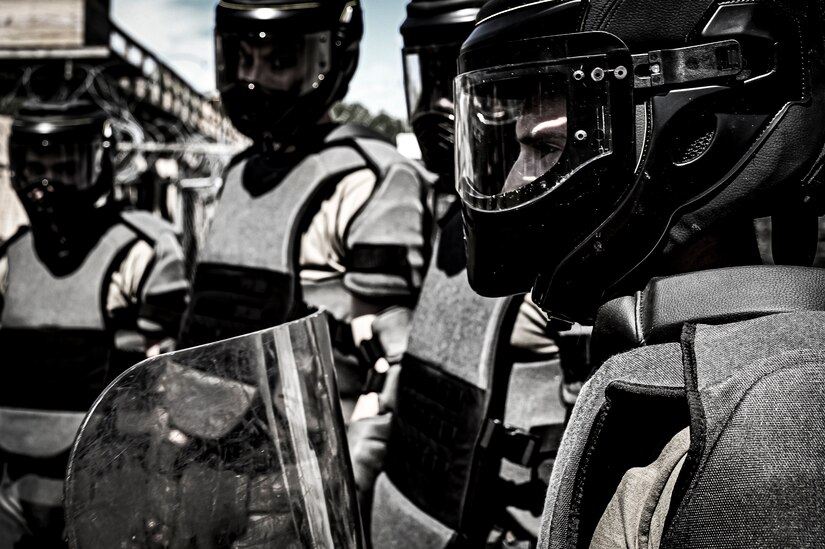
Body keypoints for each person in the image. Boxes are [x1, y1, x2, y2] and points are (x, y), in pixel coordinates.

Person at [454, 0, 825, 548]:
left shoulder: (771, 421)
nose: (514, 177)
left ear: (692, 132)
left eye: (547, 147)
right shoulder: (679, 365)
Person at [346, 1, 591, 547]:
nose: (438, 105)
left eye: (460, 80)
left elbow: (598, 456)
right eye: (430, 75)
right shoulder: (454, 215)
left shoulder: (571, 245)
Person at [179, 0, 432, 421]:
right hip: (214, 438)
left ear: (332, 58)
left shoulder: (369, 178)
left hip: (310, 454)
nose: (252, 80)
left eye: (278, 61)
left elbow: (382, 367)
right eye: (242, 59)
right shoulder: (240, 172)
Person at [0, 100, 189, 548]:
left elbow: (169, 378)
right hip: (12, 483)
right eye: (35, 168)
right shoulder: (12, 256)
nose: (47, 186)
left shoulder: (141, 252)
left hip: (106, 479)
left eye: (66, 167)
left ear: (99, 165)